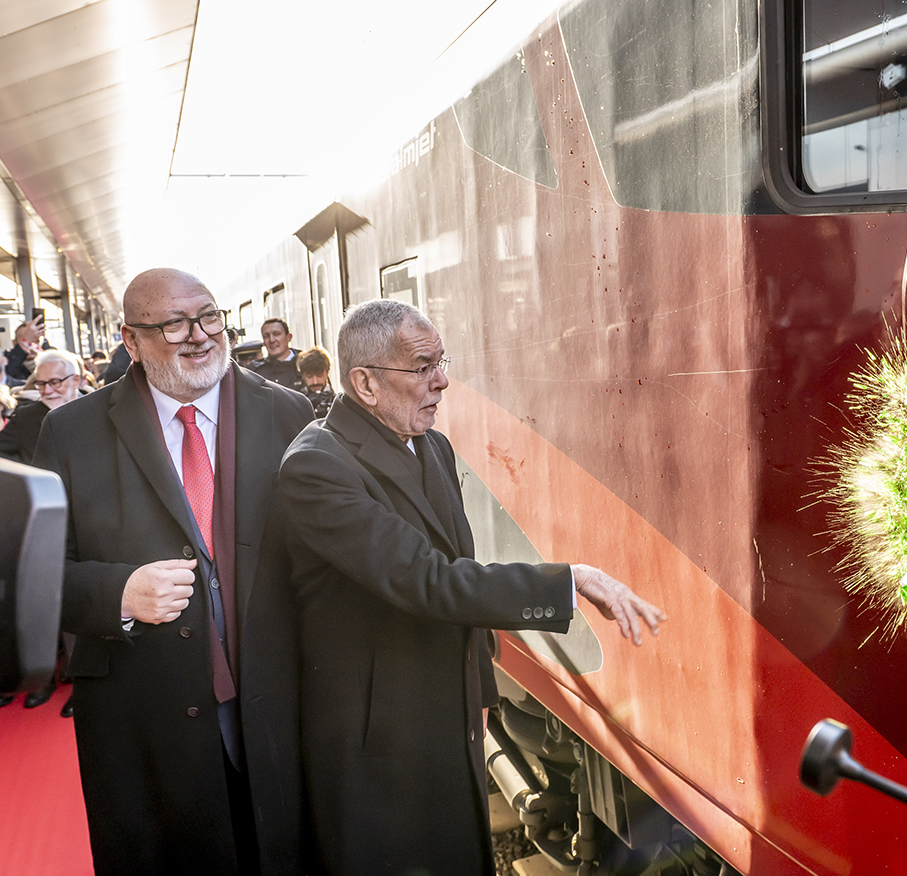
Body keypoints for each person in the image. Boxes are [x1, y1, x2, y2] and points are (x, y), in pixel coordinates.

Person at [278, 299, 668, 876]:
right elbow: (428, 579)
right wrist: (571, 580)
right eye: (422, 367)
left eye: (442, 361)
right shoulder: (316, 467)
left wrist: (480, 694)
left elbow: (461, 558)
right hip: (376, 740)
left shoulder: (430, 444)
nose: (442, 380)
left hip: (445, 713)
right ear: (364, 383)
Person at [33, 268, 314, 875]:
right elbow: (34, 576)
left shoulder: (288, 414)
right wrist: (118, 594)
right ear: (130, 342)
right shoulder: (71, 432)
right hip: (144, 718)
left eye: (209, 316)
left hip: (277, 707)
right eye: (172, 325)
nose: (199, 336)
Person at [0, 349, 85, 465]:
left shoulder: (97, 409)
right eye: (41, 384)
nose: (47, 391)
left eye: (55, 382)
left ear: (76, 380)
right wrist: (31, 470)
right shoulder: (26, 417)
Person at [252, 318, 305, 392]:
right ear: (263, 342)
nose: (272, 340)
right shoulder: (256, 372)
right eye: (266, 336)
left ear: (288, 337)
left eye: (277, 334)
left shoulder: (306, 364)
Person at [296, 345, 335, 418]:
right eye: (309, 375)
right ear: (302, 376)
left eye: (319, 374)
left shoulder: (337, 401)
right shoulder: (297, 402)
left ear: (327, 373)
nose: (315, 382)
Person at [5, 316, 46, 384]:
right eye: (25, 340)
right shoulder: (7, 361)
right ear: (14, 342)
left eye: (36, 341)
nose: (31, 345)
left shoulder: (49, 360)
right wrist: (23, 347)